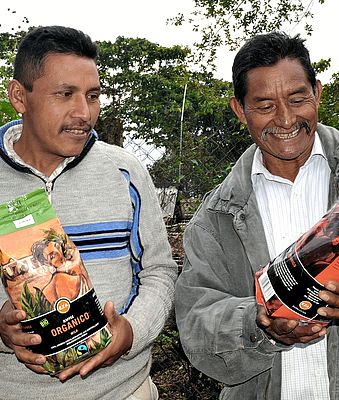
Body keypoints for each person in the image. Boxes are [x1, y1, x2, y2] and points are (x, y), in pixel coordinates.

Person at [175, 32, 339, 400]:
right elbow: (197, 327)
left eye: (297, 99)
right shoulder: (215, 218)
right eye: (264, 106)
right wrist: (260, 324)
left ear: (318, 92)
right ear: (239, 109)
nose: (285, 119)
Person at [0, 26, 177, 400]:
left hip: (124, 390)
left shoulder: (124, 172)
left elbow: (160, 271)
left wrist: (131, 330)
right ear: (20, 96)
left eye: (92, 95)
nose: (84, 112)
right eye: (65, 94)